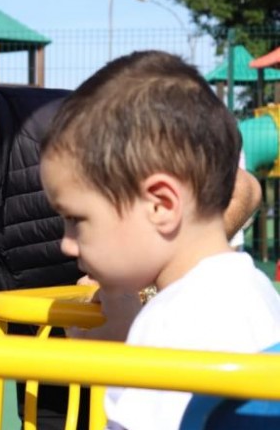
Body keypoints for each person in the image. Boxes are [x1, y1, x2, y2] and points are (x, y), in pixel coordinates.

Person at [0, 19, 262, 429]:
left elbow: (242, 189)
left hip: (146, 345)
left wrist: (143, 288)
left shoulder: (72, 139)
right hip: (50, 369)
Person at [40, 50, 280, 430]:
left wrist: (119, 362)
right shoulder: (255, 291)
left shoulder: (169, 328)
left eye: (76, 219)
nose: (66, 244)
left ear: (161, 205)